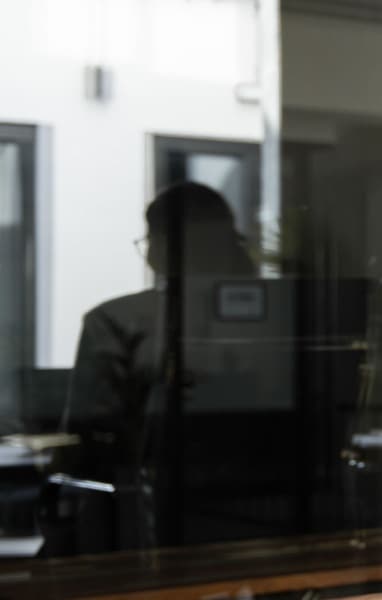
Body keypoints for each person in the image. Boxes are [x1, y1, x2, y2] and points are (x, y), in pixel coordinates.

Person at [60, 182, 254, 552]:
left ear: (163, 246)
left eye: (149, 240)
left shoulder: (118, 320)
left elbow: (88, 433)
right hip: (262, 514)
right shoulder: (276, 314)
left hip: (149, 519)